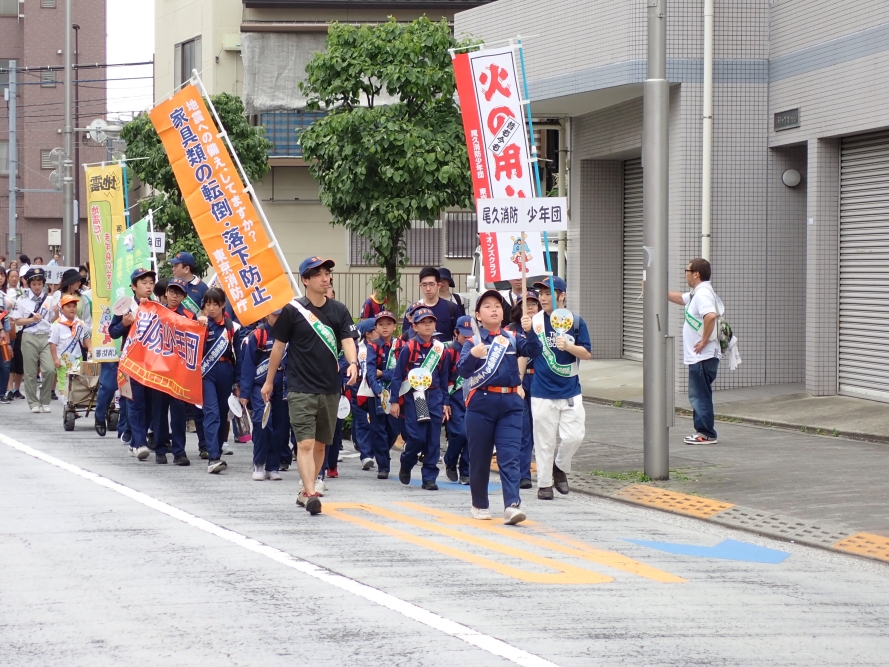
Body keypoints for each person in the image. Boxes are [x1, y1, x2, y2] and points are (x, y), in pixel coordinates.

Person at [262, 256, 358, 515]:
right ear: (305, 280)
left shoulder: (339, 310)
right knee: (305, 443)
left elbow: (348, 340)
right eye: (318, 274)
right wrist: (269, 381)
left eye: (327, 273)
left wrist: (353, 363)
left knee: (320, 445)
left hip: (329, 388)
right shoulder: (292, 311)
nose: (325, 278)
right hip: (300, 387)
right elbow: (278, 348)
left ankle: (307, 490)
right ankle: (311, 492)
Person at [459, 290, 539, 523]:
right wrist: (474, 355)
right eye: (487, 306)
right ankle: (480, 504)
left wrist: (530, 332)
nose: (493, 309)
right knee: (480, 458)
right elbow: (463, 371)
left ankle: (512, 505)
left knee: (509, 455)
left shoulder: (512, 338)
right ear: (478, 315)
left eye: (497, 306)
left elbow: (535, 351)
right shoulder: (473, 342)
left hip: (511, 404)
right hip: (481, 405)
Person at [527, 277, 592, 500]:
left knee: (575, 436)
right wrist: (527, 332)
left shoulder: (576, 322)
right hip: (542, 390)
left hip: (570, 389)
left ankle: (560, 466)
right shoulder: (534, 322)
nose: (543, 298)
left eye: (548, 294)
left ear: (562, 295)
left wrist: (569, 346)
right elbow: (527, 352)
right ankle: (544, 484)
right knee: (544, 441)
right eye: (541, 294)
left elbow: (587, 353)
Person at [391, 307, 450, 490]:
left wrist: (445, 402)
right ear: (415, 326)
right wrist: (394, 401)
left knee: (433, 438)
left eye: (430, 322)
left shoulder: (440, 349)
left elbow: (444, 378)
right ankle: (407, 461)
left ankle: (429, 477)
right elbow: (397, 376)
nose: (427, 325)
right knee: (417, 437)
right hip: (415, 396)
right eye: (423, 322)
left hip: (435, 396)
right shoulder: (409, 347)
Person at [667, 257, 723, 445]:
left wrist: (704, 341)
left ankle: (706, 433)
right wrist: (658, 291)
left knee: (700, 396)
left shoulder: (702, 294)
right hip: (702, 357)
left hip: (702, 357)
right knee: (700, 394)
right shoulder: (697, 293)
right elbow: (680, 298)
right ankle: (704, 432)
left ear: (696, 274)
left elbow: (710, 316)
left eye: (687, 271)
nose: (686, 274)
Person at [147, 278, 196, 465]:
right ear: (166, 293)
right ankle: (160, 449)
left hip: (179, 372)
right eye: (172, 292)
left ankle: (179, 451)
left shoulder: (189, 316)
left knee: (178, 413)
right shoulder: (156, 312)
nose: (174, 296)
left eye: (179, 293)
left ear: (184, 296)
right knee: (159, 412)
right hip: (159, 370)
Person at [110, 267, 157, 460]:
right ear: (133, 286)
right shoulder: (126, 307)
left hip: (152, 363)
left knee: (150, 404)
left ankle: (135, 440)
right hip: (131, 362)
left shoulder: (156, 307)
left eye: (151, 283)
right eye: (144, 283)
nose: (148, 286)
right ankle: (139, 443)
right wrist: (124, 324)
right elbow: (113, 332)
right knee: (135, 402)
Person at [240, 309, 288, 481]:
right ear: (267, 314)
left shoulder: (290, 333)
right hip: (260, 387)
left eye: (281, 315)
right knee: (262, 422)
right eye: (275, 315)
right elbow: (248, 365)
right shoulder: (258, 335)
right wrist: (244, 392)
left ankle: (273, 466)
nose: (278, 318)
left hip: (283, 386)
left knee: (280, 426)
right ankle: (259, 462)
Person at [199, 288, 238, 474]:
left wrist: (238, 382)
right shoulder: (202, 325)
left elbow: (239, 356)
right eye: (208, 304)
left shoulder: (231, 327)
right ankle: (213, 456)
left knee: (222, 414)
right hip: (207, 372)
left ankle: (218, 448)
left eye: (215, 304)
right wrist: (199, 327)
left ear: (223, 305)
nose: (211, 308)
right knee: (211, 413)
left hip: (225, 370)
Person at [508, 292, 541, 489]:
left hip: (540, 380)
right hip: (519, 381)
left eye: (533, 303)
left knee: (540, 427)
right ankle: (523, 474)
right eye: (525, 304)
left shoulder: (544, 327)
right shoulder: (510, 330)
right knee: (523, 429)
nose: (530, 307)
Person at [364, 310, 401, 479]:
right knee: (378, 429)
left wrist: (384, 374)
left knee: (394, 428)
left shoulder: (401, 345)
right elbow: (370, 371)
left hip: (396, 392)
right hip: (377, 393)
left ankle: (383, 452)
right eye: (381, 324)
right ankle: (383, 465)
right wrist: (378, 391)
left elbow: (400, 371)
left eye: (388, 324)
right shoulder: (373, 345)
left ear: (394, 327)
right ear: (376, 328)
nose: (385, 327)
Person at [13, 268, 55, 413]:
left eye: (40, 284)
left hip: (46, 337)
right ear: (29, 284)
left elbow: (53, 320)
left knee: (49, 370)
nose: (37, 287)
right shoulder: (22, 299)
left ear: (43, 284)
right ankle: (33, 402)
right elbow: (17, 321)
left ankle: (45, 400)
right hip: (29, 337)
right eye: (34, 284)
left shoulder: (49, 300)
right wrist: (32, 319)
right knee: (30, 372)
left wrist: (57, 312)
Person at [443, 316, 473, 485]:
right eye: (464, 335)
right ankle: (450, 460)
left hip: (473, 398)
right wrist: (445, 402)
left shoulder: (478, 349)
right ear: (456, 333)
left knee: (471, 435)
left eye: (471, 335)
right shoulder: (449, 351)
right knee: (459, 433)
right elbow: (443, 378)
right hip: (454, 398)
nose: (468, 338)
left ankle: (465, 470)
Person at [49, 295, 91, 404]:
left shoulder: (80, 323)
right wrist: (55, 359)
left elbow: (85, 336)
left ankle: (74, 403)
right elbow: (52, 343)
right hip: (63, 358)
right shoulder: (57, 325)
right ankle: (66, 404)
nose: (72, 309)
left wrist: (90, 348)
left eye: (74, 306)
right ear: (62, 309)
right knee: (64, 381)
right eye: (68, 306)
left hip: (77, 357)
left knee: (77, 381)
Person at [401, 267, 459, 343]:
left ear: (439, 285)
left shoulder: (451, 308)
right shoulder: (413, 310)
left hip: (444, 350)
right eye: (424, 285)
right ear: (420, 285)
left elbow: (459, 335)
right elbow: (406, 337)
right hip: (418, 350)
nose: (428, 288)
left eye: (431, 284)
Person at [353, 318, 377, 470]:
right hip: (359, 390)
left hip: (378, 390)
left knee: (378, 424)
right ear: (368, 334)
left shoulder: (383, 348)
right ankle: (366, 455)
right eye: (377, 329)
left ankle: (374, 451)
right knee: (362, 423)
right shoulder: (357, 349)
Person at [4, 269, 24, 401]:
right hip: (10, 328)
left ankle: (17, 388)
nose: (14, 278)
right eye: (12, 276)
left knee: (20, 360)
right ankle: (9, 388)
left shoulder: (23, 291)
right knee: (10, 359)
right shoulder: (4, 292)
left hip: (21, 327)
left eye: (16, 276)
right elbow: (6, 306)